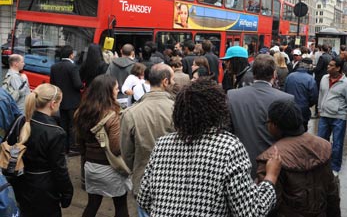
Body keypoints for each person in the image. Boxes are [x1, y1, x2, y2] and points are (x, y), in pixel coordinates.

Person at [137, 78, 281, 216]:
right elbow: (251, 212)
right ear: (219, 110)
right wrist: (270, 177)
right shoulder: (228, 148)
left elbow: (144, 199)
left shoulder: (162, 144)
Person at [256, 100, 341, 216]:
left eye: (268, 122)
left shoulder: (271, 159)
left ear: (274, 125)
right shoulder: (322, 147)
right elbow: (332, 194)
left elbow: (268, 205)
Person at [7, 83, 73, 216]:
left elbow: (9, 146)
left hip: (19, 182)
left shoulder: (20, 120)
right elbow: (59, 169)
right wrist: (67, 193)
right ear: (53, 104)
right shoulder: (56, 132)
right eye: (59, 102)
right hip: (44, 190)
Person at [120, 63, 176, 216]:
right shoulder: (178, 109)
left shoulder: (130, 113)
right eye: (172, 79)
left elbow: (126, 153)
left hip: (143, 180)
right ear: (165, 82)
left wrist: (137, 167)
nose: (175, 83)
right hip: (174, 182)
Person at [227, 54, 295, 178]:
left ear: (253, 73)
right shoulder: (286, 99)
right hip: (273, 166)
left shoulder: (232, 96)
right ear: (274, 74)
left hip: (240, 164)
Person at [73, 75, 130, 217]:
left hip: (91, 167)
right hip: (111, 168)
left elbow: (79, 142)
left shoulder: (81, 112)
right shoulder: (112, 115)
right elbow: (116, 148)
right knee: (121, 205)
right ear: (108, 92)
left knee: (92, 204)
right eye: (116, 89)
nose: (118, 91)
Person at [317, 58, 347, 176]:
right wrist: (319, 108)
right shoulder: (324, 79)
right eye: (328, 65)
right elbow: (321, 94)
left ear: (338, 68)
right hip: (324, 115)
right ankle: (321, 165)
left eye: (331, 66)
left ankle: (335, 167)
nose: (328, 67)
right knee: (321, 142)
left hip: (339, 117)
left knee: (337, 144)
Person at [50, 45, 83, 154]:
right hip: (73, 101)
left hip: (61, 101)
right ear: (71, 55)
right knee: (73, 125)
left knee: (63, 125)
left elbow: (52, 84)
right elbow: (77, 84)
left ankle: (64, 147)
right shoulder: (72, 67)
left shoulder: (54, 67)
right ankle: (73, 148)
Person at [284, 57, 318, 132]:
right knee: (302, 130)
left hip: (290, 108)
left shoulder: (290, 76)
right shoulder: (310, 79)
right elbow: (314, 97)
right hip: (303, 109)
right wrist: (308, 104)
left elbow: (285, 91)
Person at [106, 44, 136, 108]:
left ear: (121, 51)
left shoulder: (112, 63)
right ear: (132, 53)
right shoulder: (135, 66)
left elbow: (107, 79)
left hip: (114, 97)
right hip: (129, 98)